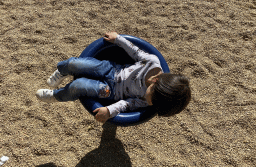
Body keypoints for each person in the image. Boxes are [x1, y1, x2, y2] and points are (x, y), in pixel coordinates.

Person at [36, 32, 191, 123]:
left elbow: (127, 104)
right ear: (156, 81)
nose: (150, 104)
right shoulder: (152, 62)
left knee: (78, 86)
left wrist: (109, 110)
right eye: (153, 99)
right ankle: (62, 72)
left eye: (154, 105)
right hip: (112, 69)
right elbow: (135, 51)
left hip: (110, 91)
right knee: (74, 63)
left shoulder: (149, 101)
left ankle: (57, 96)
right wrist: (118, 39)